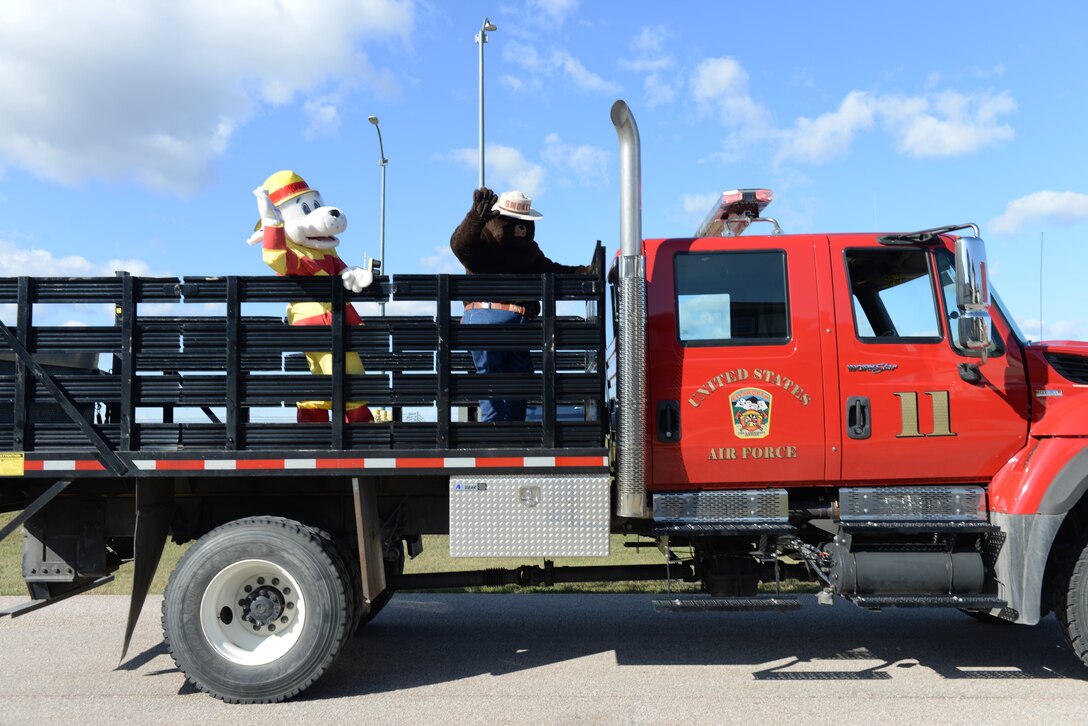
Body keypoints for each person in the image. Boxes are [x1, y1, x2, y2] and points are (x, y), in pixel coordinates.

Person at [450, 188, 591, 422]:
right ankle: (495, 431)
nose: (521, 228)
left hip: (518, 325)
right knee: (493, 377)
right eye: (513, 221)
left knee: (520, 377)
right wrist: (475, 218)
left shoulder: (529, 252)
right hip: (489, 319)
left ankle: (513, 430)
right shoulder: (483, 240)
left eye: (524, 222)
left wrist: (584, 272)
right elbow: (460, 246)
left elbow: (553, 270)